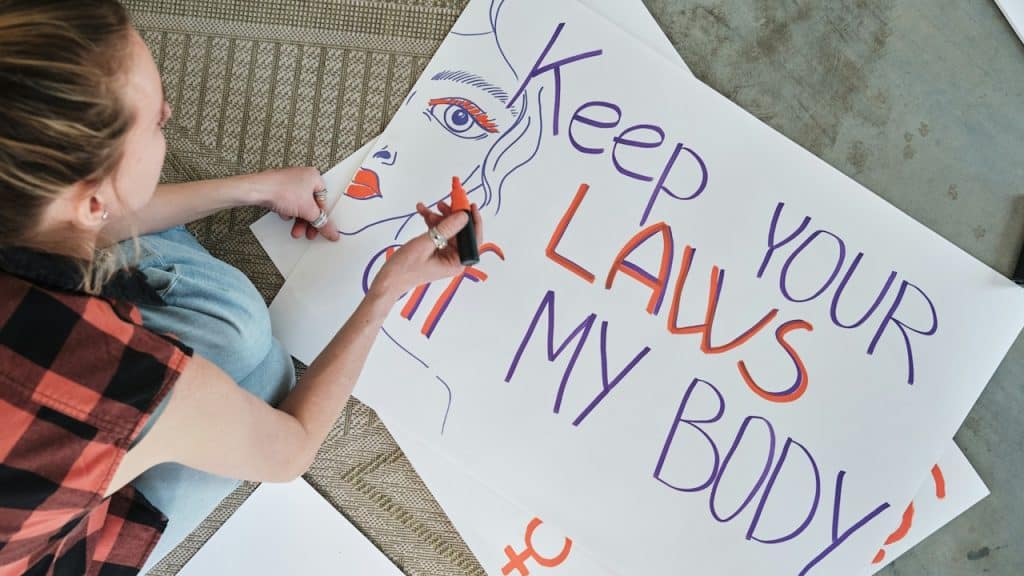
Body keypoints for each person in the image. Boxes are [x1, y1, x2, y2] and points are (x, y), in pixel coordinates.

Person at [0, 1, 482, 574]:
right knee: (259, 365)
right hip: (52, 547)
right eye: (158, 121)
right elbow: (292, 450)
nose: (172, 113)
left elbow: (87, 218)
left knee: (236, 331)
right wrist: (384, 292)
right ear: (92, 198)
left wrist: (256, 187)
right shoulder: (111, 377)